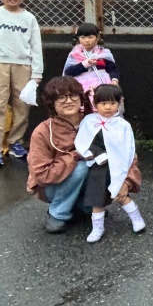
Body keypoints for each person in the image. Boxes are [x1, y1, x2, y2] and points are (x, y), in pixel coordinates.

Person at [0, 0, 44, 168]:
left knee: (22, 105)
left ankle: (15, 141)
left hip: (23, 65)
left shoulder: (29, 18)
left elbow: (36, 46)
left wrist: (37, 72)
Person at [26, 77, 100, 233]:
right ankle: (57, 213)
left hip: (85, 182)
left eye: (73, 95)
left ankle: (85, 206)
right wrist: (75, 155)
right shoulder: (43, 131)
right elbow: (42, 174)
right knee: (81, 168)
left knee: (105, 165)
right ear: (51, 102)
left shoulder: (94, 122)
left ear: (81, 98)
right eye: (61, 97)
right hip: (52, 186)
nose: (69, 101)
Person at [74, 85, 145, 243]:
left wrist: (125, 167)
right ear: (95, 104)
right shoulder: (89, 121)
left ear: (119, 104)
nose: (108, 107)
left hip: (116, 165)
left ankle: (136, 217)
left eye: (113, 103)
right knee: (96, 198)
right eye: (103, 103)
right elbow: (82, 141)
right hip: (98, 168)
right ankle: (97, 227)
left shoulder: (123, 125)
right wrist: (95, 155)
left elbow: (128, 147)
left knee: (121, 193)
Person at [63, 23, 119, 101]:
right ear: (78, 38)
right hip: (81, 87)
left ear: (97, 37)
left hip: (102, 85)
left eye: (90, 37)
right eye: (82, 37)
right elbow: (68, 72)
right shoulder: (75, 54)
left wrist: (114, 80)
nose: (86, 40)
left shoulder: (104, 53)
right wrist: (84, 64)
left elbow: (112, 69)